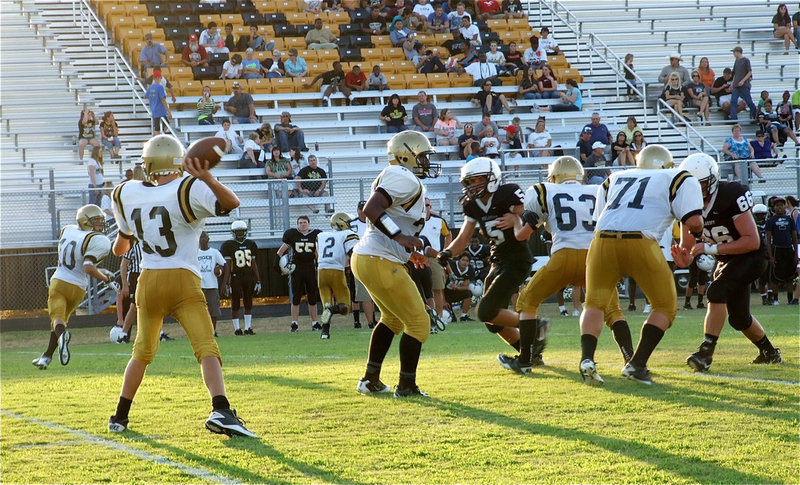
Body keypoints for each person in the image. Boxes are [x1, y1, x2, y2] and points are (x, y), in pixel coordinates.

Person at [108, 134, 256, 437]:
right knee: (206, 347)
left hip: (147, 282)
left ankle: (119, 417)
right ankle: (221, 409)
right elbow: (232, 203)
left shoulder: (125, 192)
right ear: (179, 160)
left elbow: (119, 249)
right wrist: (208, 177)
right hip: (183, 278)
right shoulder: (188, 187)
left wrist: (134, 233)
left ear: (147, 164)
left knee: (142, 352)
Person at [579, 145, 704, 386]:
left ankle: (587, 359)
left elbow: (599, 218)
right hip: (640, 241)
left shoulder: (614, 177)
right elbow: (694, 220)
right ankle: (637, 364)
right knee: (665, 307)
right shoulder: (677, 177)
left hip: (601, 241)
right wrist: (697, 236)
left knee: (594, 303)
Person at [496, 157, 630, 373]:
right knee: (613, 310)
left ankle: (525, 360)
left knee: (527, 302)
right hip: (595, 258)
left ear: (555, 176)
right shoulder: (599, 189)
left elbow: (524, 234)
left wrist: (517, 223)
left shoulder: (544, 190)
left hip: (564, 255)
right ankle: (630, 360)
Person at [678, 153, 783, 374]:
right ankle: (770, 352)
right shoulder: (686, 204)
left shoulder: (730, 194)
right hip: (726, 260)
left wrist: (710, 249)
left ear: (713, 180)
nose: (697, 190)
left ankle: (705, 354)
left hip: (752, 257)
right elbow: (687, 246)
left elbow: (751, 241)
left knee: (715, 292)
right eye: (692, 185)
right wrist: (685, 257)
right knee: (739, 319)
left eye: (702, 184)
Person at [352, 130, 438, 397]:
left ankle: (370, 380)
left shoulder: (400, 177)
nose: (425, 162)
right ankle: (407, 385)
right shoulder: (403, 176)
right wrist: (400, 237)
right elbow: (372, 209)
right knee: (419, 323)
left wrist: (406, 249)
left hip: (370, 256)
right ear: (406, 155)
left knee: (392, 319)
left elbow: (385, 215)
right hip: (378, 258)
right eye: (422, 156)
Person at [437, 157, 531, 359]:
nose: (473, 185)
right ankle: (529, 353)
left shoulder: (507, 194)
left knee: (485, 311)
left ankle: (535, 325)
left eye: (477, 179)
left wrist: (515, 218)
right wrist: (447, 253)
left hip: (516, 258)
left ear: (491, 177)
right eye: (469, 182)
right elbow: (463, 238)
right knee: (492, 321)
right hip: (497, 261)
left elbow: (529, 225)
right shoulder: (472, 204)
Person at [31, 204, 113, 370]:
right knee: (60, 321)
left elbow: (85, 265)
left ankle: (63, 337)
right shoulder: (97, 240)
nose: (100, 224)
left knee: (57, 320)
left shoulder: (68, 230)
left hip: (60, 282)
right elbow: (88, 267)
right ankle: (46, 357)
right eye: (96, 220)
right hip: (79, 288)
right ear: (85, 221)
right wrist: (105, 279)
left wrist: (102, 276)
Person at [316, 213, 360, 339]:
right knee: (345, 307)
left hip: (321, 271)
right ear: (342, 223)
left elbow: (318, 254)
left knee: (326, 303)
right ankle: (332, 310)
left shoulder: (321, 236)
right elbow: (353, 254)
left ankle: (325, 332)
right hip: (336, 271)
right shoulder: (347, 235)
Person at [276, 216, 322, 333]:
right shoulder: (292, 235)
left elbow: (316, 253)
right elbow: (280, 251)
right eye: (300, 223)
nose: (303, 224)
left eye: (305, 222)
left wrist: (321, 265)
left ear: (309, 224)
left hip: (310, 267)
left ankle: (315, 322)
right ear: (297, 224)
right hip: (297, 268)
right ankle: (294, 323)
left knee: (312, 295)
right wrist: (277, 267)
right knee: (296, 296)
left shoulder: (315, 235)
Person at [221, 221, 260, 336]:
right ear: (233, 232)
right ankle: (237, 329)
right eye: (237, 231)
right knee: (235, 302)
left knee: (248, 302)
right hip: (235, 276)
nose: (240, 233)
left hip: (248, 276)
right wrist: (227, 283)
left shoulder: (251, 243)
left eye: (242, 231)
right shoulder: (228, 245)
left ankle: (248, 327)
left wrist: (258, 280)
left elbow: (253, 263)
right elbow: (227, 265)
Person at [420, 197, 452, 319]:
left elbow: (448, 234)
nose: (425, 207)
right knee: (419, 290)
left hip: (434, 258)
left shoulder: (439, 221)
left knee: (438, 288)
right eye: (423, 205)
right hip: (417, 258)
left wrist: (445, 252)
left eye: (427, 205)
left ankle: (439, 317)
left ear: (431, 207)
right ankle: (424, 317)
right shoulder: (413, 221)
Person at [765, 196, 799, 304]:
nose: (780, 207)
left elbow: (794, 237)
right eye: (777, 205)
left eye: (781, 205)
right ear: (773, 208)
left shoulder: (789, 219)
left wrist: (795, 254)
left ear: (785, 206)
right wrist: (771, 256)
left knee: (789, 277)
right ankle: (775, 299)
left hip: (788, 250)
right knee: (775, 277)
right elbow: (768, 239)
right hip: (777, 250)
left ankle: (790, 299)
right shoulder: (771, 220)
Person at [349, 200, 376, 329]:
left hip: (374, 259)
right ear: (357, 210)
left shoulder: (374, 222)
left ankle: (375, 320)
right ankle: (365, 321)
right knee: (359, 293)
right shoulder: (351, 224)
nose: (362, 211)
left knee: (375, 292)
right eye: (360, 209)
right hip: (358, 259)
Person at [113, 239, 143, 344]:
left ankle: (158, 333)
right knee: (134, 306)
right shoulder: (132, 246)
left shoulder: (150, 242)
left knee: (153, 305)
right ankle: (124, 334)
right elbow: (123, 264)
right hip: (136, 277)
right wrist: (125, 284)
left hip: (149, 273)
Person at [198, 231, 225, 336]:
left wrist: (220, 272)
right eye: (201, 237)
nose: (203, 239)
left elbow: (224, 264)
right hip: (199, 285)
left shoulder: (214, 252)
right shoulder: (195, 253)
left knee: (213, 310)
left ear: (208, 239)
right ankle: (202, 332)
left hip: (212, 285)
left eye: (205, 237)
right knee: (200, 311)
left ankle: (213, 331)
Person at [729, 46, 759, 122]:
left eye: (734, 52)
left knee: (749, 101)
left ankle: (756, 115)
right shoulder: (736, 61)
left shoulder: (746, 60)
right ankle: (733, 118)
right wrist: (732, 83)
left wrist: (743, 81)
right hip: (736, 85)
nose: (733, 54)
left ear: (738, 52)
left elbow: (749, 72)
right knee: (733, 101)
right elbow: (735, 73)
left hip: (744, 85)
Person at [444, 253, 476, 321]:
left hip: (455, 293)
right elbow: (441, 285)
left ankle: (464, 316)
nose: (465, 262)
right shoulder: (451, 265)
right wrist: (443, 300)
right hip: (444, 293)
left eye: (467, 261)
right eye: (463, 260)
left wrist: (457, 287)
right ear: (458, 260)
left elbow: (465, 287)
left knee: (468, 293)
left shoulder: (470, 269)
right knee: (452, 320)